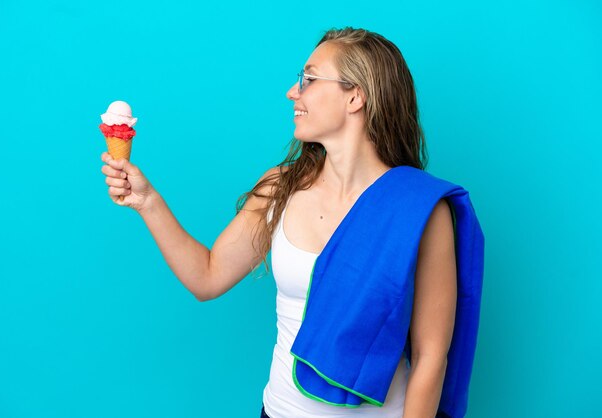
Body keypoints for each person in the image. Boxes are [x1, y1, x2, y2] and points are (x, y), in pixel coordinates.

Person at [101, 27, 460, 418]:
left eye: (308, 79)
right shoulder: (280, 188)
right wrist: (148, 202)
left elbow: (430, 357)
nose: (293, 91)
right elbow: (206, 277)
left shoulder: (420, 210)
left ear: (355, 96)